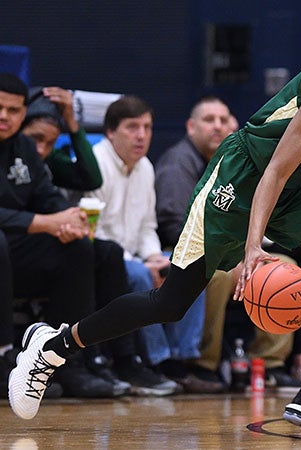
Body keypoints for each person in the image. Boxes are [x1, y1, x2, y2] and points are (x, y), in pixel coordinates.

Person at [9, 20, 301, 436]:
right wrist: (253, 248)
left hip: (291, 185)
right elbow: (270, 171)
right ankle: (54, 345)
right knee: (170, 303)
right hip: (238, 180)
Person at [21, 86, 178, 397]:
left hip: (114, 250)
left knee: (183, 266)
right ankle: (137, 360)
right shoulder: (92, 158)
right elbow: (92, 187)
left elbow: (148, 225)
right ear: (109, 132)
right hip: (40, 247)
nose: (141, 135)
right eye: (133, 127)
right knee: (120, 264)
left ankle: (182, 361)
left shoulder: (144, 167)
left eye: (147, 127)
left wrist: (152, 255)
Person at [155, 96, 298, 390]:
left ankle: (268, 363)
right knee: (216, 275)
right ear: (191, 127)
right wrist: (229, 255)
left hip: (229, 250)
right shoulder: (178, 162)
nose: (217, 127)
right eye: (209, 120)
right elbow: (175, 227)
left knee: (286, 269)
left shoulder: (231, 159)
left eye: (223, 120)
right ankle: (201, 362)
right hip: (182, 251)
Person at [0, 73, 120, 399]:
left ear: (23, 112)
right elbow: (41, 216)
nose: (4, 117)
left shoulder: (23, 148)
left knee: (80, 247)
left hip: (17, 251)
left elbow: (47, 195)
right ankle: (3, 358)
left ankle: (65, 361)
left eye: (13, 110)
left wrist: (70, 220)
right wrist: (44, 221)